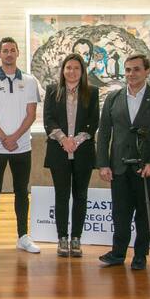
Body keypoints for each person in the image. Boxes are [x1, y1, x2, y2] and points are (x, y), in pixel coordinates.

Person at [97, 53, 150, 270]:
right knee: (120, 213)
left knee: (143, 213)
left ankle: (140, 255)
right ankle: (117, 253)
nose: (131, 74)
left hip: (146, 168)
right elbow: (104, 133)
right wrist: (103, 163)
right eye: (128, 70)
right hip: (119, 167)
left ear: (147, 71)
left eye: (137, 69)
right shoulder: (113, 98)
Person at [0, 36, 41, 254]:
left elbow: (31, 114)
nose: (9, 54)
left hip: (22, 146)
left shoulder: (30, 81)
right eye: (5, 50)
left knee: (21, 191)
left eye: (12, 50)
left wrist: (14, 137)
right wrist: (4, 138)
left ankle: (23, 236)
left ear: (17, 53)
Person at [43, 53, 99, 257]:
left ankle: (76, 238)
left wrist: (76, 141)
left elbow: (94, 121)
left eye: (76, 68)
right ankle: (62, 238)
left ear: (82, 71)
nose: (72, 71)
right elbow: (48, 119)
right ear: (63, 70)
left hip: (83, 152)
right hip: (59, 152)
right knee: (61, 196)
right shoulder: (52, 90)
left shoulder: (92, 92)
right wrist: (63, 139)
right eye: (68, 67)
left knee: (80, 196)